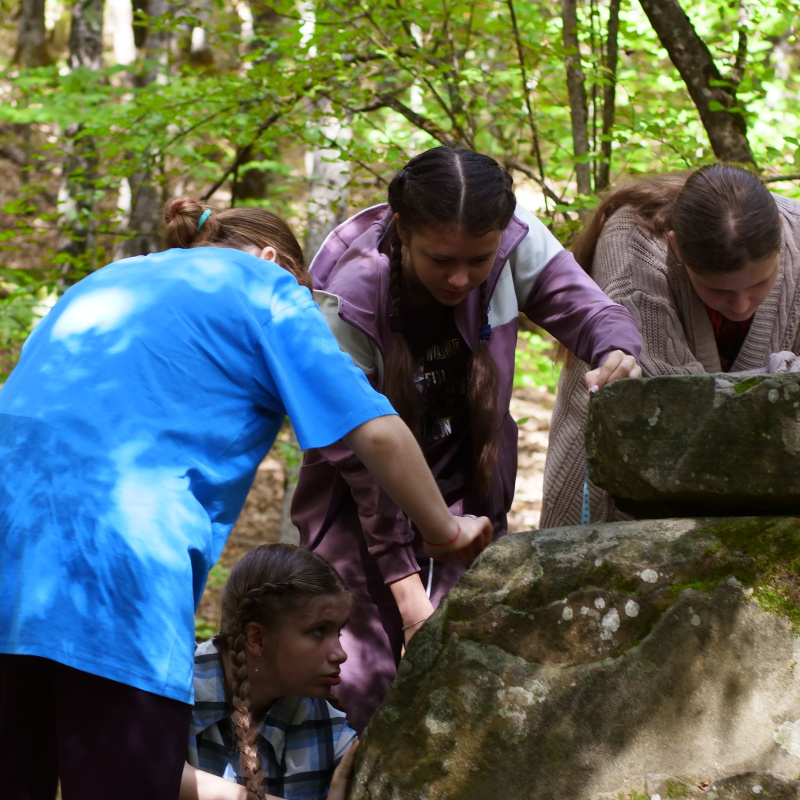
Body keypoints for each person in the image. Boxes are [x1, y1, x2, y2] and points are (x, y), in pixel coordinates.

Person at [0, 197, 493, 800]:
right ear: (269, 259)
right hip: (119, 560)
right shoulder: (265, 285)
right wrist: (445, 530)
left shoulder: (105, 281)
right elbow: (374, 429)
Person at [290, 145, 643, 733]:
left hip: (471, 505)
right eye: (441, 260)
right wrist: (407, 598)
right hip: (356, 519)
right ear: (402, 229)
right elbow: (364, 465)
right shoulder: (346, 298)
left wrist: (617, 349)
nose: (460, 278)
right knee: (356, 692)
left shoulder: (515, 242)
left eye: (477, 261)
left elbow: (588, 308)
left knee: (465, 696)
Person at [540, 162, 800, 528]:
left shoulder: (796, 232)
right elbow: (669, 398)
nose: (741, 305)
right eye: (719, 290)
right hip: (623, 481)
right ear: (678, 247)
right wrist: (784, 380)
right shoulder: (634, 245)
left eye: (760, 283)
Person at [180, 543, 358, 800]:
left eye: (337, 632)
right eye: (319, 630)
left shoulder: (328, 729)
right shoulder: (170, 692)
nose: (340, 653)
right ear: (257, 638)